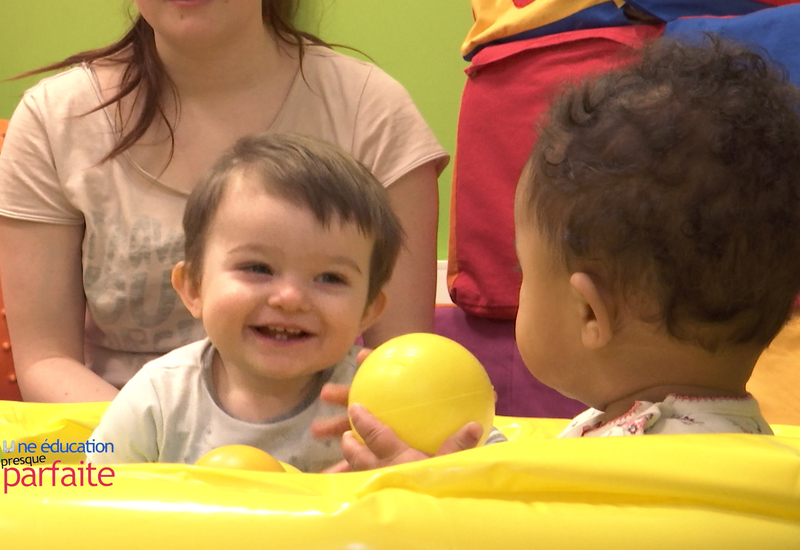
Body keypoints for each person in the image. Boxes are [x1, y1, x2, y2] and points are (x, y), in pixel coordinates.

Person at [340, 35, 800, 470]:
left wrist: (425, 500)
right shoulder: (735, 446)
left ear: (588, 312)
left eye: (525, 271)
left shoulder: (631, 474)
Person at [0, 0, 447, 403]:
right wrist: (157, 443)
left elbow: (400, 364)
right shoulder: (54, 119)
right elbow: (45, 361)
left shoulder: (372, 111)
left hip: (319, 453)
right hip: (113, 445)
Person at [87, 132, 401, 472]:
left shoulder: (375, 402)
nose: (290, 299)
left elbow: (434, 505)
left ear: (368, 310)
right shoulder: (157, 399)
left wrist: (405, 470)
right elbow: (92, 498)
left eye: (330, 278)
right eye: (258, 268)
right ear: (193, 288)